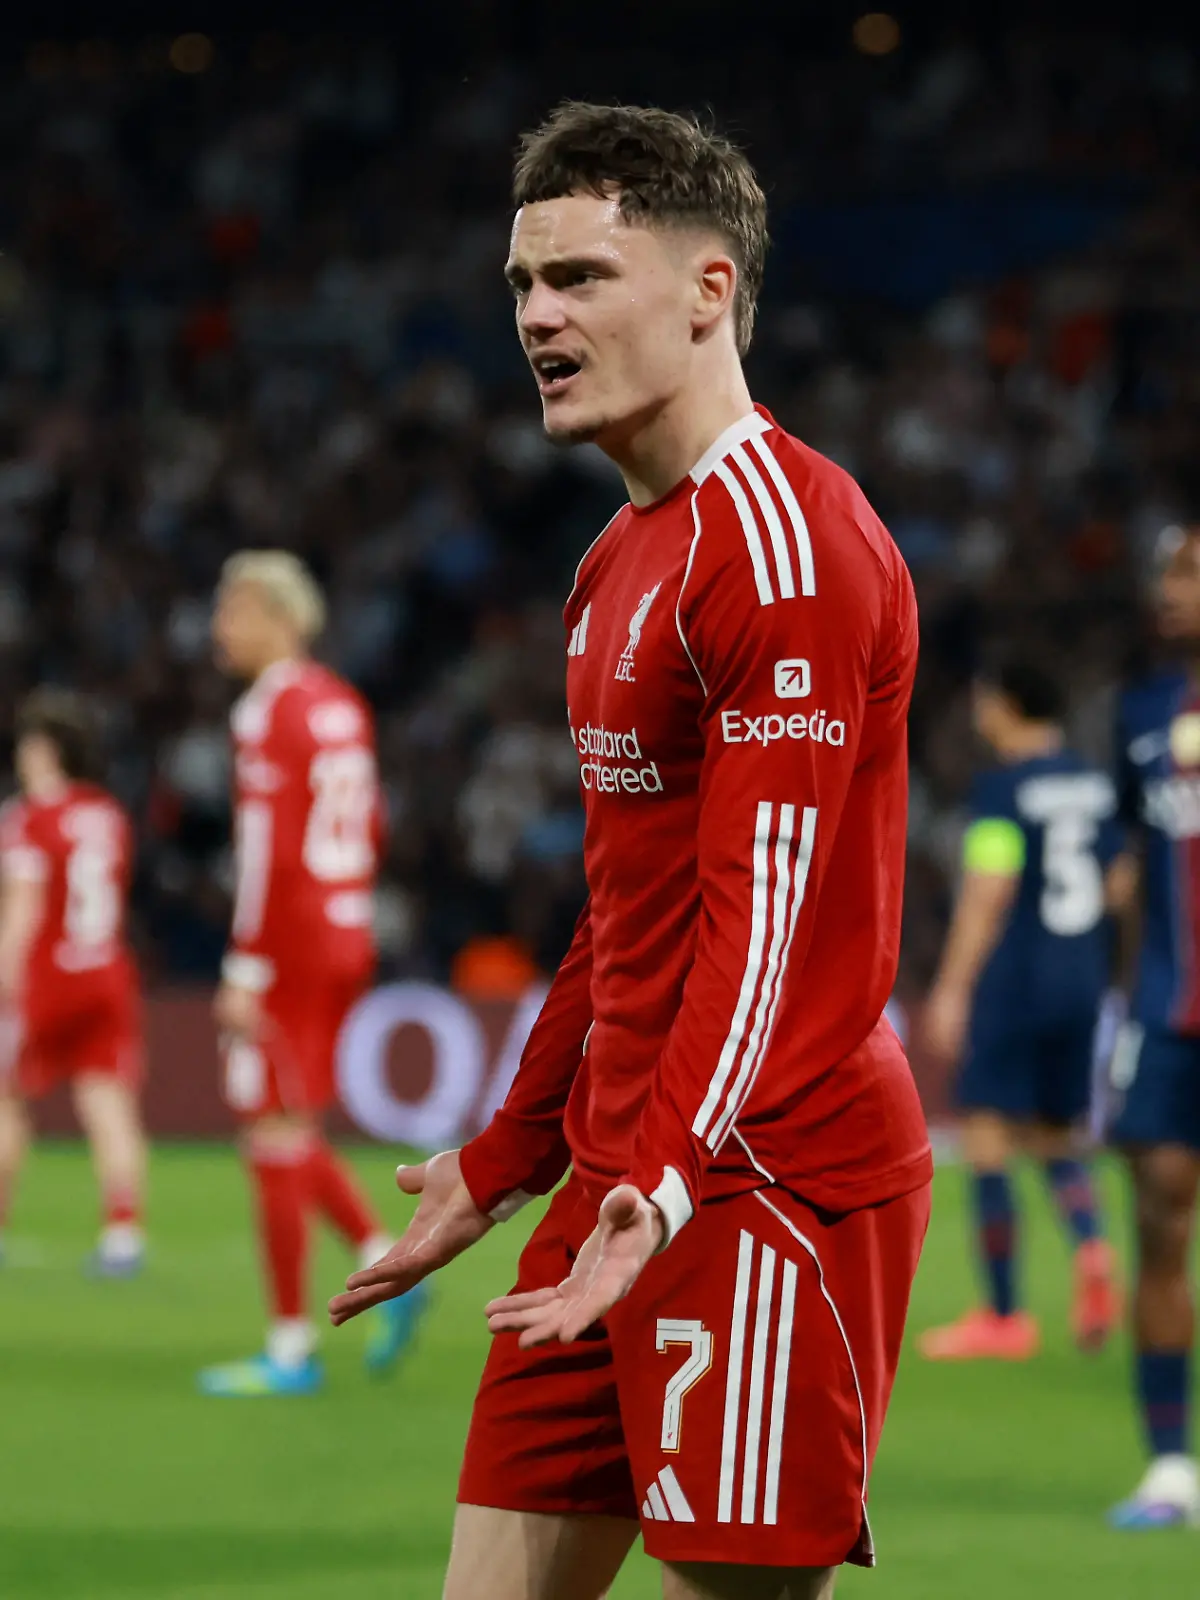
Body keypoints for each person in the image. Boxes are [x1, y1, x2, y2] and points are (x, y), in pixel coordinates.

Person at [330, 102, 932, 1600]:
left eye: (582, 276)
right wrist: (504, 1161)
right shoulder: (615, 558)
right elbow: (624, 920)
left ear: (710, 290)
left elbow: (760, 923)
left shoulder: (786, 549)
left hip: (765, 1180)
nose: (537, 316)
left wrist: (660, 1184)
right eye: (524, 284)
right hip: (619, 1182)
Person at [199, 550, 426, 1397]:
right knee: (291, 1124)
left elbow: (266, 850)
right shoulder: (341, 702)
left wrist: (244, 964)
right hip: (344, 930)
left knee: (269, 1133)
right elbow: (371, 826)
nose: (219, 628)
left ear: (275, 614)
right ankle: (387, 1263)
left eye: (231, 610)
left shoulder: (268, 710)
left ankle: (290, 1348)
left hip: (289, 942)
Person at [919, 659, 1122, 1362]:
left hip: (1016, 977)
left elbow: (990, 887)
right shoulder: (1095, 785)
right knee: (1056, 1135)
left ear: (1007, 706)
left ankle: (1004, 1316)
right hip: (1082, 979)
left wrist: (952, 987)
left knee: (986, 1133)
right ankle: (1093, 1247)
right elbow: (1121, 883)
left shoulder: (1002, 789)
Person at [1105, 521, 1200, 1527]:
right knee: (1162, 1222)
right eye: (1166, 574)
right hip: (1169, 1019)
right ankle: (1171, 1466)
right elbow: (1132, 870)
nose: (1168, 590)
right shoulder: (1140, 717)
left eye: (1189, 574)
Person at [0, 690, 146, 1276]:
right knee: (108, 1103)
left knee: (8, 1101)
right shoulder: (108, 814)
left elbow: (26, 906)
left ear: (45, 750)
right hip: (106, 970)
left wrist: (6, 971)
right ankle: (123, 1233)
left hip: (48, 977)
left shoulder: (29, 818)